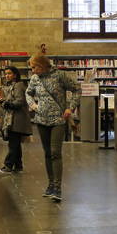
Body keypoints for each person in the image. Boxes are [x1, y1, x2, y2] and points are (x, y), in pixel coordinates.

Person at [26, 54, 80, 201]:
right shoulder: (35, 79)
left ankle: (57, 187)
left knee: (56, 152)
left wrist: (71, 107)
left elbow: (76, 89)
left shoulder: (60, 75)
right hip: (41, 119)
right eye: (31, 67)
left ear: (43, 65)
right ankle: (50, 185)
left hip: (58, 120)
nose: (32, 70)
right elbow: (28, 93)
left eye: (34, 67)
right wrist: (32, 105)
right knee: (47, 153)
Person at [0, 66, 32, 173]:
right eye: (6, 73)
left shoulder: (18, 85)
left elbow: (19, 102)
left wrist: (7, 104)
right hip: (13, 119)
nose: (7, 76)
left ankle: (8, 165)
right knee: (15, 143)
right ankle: (18, 166)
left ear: (15, 75)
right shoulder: (12, 86)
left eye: (9, 73)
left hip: (17, 120)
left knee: (13, 144)